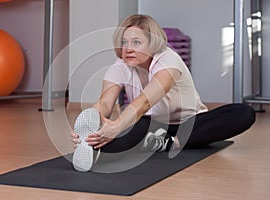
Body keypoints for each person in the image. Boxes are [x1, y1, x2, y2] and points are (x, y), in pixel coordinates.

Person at [71, 14, 256, 172]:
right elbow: (105, 102)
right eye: (124, 42)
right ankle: (93, 148)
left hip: (188, 122)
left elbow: (144, 101)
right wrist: (93, 123)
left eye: (136, 42)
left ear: (153, 43)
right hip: (151, 124)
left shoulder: (168, 60)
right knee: (119, 136)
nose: (128, 48)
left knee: (243, 113)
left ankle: (170, 143)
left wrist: (116, 126)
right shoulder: (119, 66)